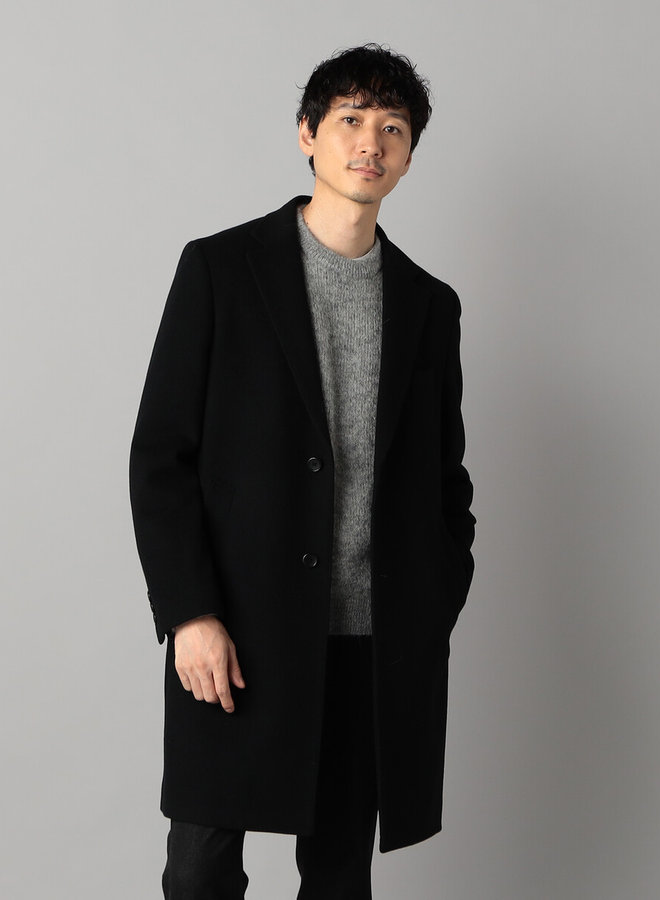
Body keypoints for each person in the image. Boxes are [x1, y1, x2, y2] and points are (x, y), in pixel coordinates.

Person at [129, 42, 476, 899]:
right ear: (307, 135)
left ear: (408, 156)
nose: (371, 141)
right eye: (351, 119)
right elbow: (161, 457)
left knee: (338, 876)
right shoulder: (221, 269)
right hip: (239, 633)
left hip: (370, 646)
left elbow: (447, 482)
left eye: (392, 128)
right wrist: (190, 614)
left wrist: (431, 601)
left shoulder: (430, 305)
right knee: (200, 870)